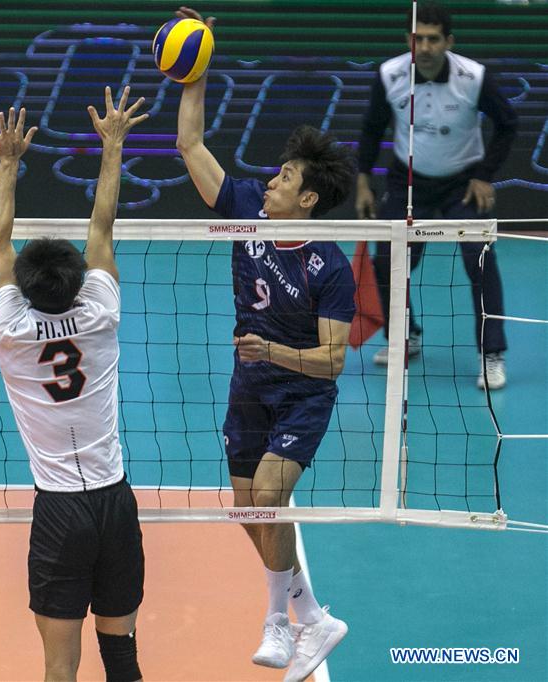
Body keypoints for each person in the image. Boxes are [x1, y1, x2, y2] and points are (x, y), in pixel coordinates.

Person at [175, 7, 356, 681]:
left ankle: (278, 620)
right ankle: (311, 616)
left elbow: (334, 359)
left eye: (284, 178)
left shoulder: (328, 265)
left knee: (271, 496)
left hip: (300, 391)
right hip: (249, 385)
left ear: (305, 200)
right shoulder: (246, 209)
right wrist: (195, 71)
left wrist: (271, 353)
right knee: (247, 509)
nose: (271, 179)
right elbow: (192, 149)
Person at [0, 89, 148, 682]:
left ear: (26, 289)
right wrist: (113, 144)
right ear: (79, 282)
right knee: (121, 656)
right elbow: (101, 224)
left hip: (58, 513)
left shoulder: (10, 328)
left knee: (60, 668)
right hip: (114, 502)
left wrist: (8, 160)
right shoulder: (102, 312)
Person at [356, 1, 517, 389]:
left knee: (480, 261)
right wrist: (362, 179)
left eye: (432, 39)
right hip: (407, 180)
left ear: (448, 41)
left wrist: (483, 175)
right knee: (387, 262)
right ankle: (404, 337)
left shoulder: (474, 77)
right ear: (407, 40)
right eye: (417, 39)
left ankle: (490, 353)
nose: (424, 47)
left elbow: (508, 123)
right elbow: (372, 127)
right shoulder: (389, 74)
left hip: (462, 184)